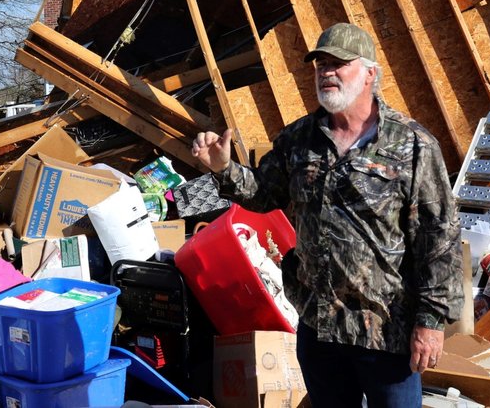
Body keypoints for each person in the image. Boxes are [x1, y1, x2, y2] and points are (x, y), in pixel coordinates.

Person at [192, 22, 463, 408]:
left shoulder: (413, 144)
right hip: (319, 327)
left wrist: (431, 323)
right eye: (321, 64)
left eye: (338, 63)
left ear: (370, 73)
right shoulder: (298, 139)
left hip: (386, 332)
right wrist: (223, 169)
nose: (326, 72)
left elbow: (440, 238)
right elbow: (264, 195)